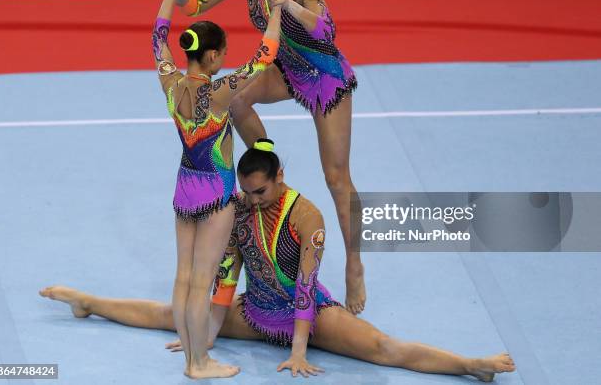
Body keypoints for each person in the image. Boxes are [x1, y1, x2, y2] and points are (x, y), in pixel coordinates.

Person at [40, 141, 516, 382]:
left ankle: (469, 365)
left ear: (280, 176)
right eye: (246, 192)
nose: (252, 200)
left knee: (383, 349)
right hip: (257, 310)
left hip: (306, 314)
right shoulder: (241, 211)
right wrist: (205, 335)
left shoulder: (306, 216)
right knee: (176, 317)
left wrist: (298, 351)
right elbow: (226, 277)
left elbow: (306, 289)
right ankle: (89, 302)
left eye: (260, 191)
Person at [162, 0, 366, 314]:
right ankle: (267, 157)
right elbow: (197, 5)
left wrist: (287, 4)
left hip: (325, 77)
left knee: (336, 177)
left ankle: (355, 266)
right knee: (234, 97)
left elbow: (326, 29)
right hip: (286, 68)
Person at [152, 0, 283, 378]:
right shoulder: (220, 93)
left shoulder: (170, 82)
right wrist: (276, 10)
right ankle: (198, 362)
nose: (225, 60)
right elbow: (264, 58)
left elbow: (157, 37)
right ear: (211, 57)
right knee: (204, 279)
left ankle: (191, 348)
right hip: (215, 193)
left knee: (184, 276)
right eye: (223, 54)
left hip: (183, 187)